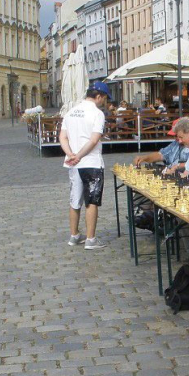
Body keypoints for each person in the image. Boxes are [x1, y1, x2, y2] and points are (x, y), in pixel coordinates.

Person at [60, 81, 111, 251]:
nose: (104, 102)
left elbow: (63, 137)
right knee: (92, 200)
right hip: (91, 162)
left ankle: (74, 235)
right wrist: (80, 155)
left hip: (73, 164)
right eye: (104, 98)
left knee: (75, 200)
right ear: (98, 97)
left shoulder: (71, 112)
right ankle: (90, 239)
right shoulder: (97, 114)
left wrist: (71, 155)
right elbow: (94, 139)